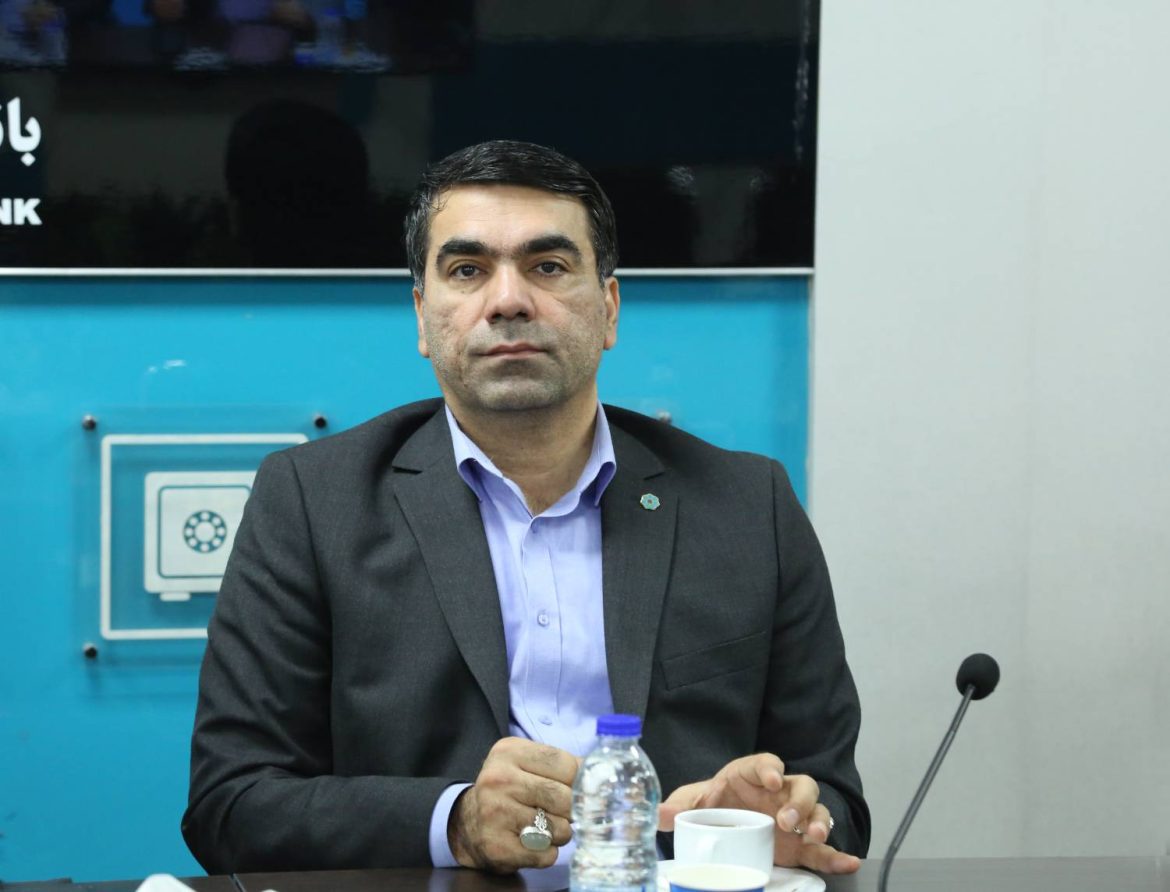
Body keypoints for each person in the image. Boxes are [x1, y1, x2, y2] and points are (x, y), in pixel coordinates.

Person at [182, 139, 870, 877]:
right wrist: (456, 822)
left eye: (547, 267)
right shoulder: (313, 503)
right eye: (467, 270)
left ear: (608, 309)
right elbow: (232, 805)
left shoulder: (747, 507)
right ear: (422, 317)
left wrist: (776, 819)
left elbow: (836, 800)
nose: (508, 300)